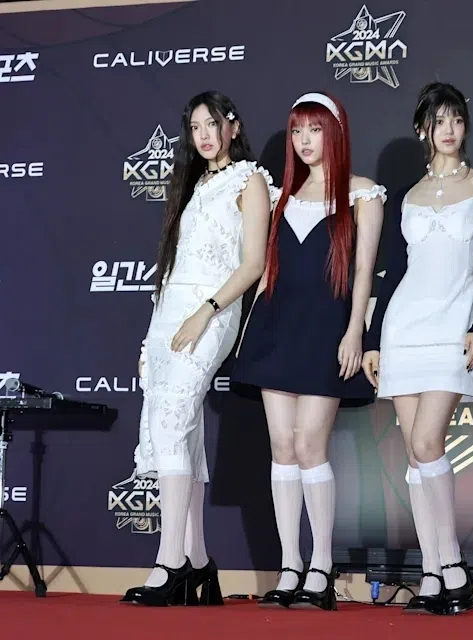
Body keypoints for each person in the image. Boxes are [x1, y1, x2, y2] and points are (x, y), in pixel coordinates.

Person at [123, 91, 280, 607]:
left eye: (212, 124)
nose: (204, 135)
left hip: (212, 313)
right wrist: (150, 338)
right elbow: (173, 270)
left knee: (173, 420)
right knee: (180, 433)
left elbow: (253, 264)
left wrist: (206, 310)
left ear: (232, 126)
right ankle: (197, 562)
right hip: (169, 316)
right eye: (195, 128)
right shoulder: (193, 186)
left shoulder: (249, 179)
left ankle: (167, 563)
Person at [231, 92, 385, 609]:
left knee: (310, 445)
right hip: (275, 329)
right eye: (297, 131)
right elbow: (263, 271)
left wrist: (355, 332)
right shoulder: (281, 196)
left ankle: (321, 564)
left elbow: (364, 271)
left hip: (326, 330)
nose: (304, 141)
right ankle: (290, 565)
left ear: (334, 133)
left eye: (314, 130)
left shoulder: (362, 193)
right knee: (282, 446)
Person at [361, 82, 473, 616]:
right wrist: (373, 340)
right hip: (403, 329)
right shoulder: (404, 195)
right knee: (415, 457)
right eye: (439, 120)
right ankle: (433, 572)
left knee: (427, 443)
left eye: (457, 119)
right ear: (423, 128)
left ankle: (452, 566)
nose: (449, 129)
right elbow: (392, 273)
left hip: (454, 326)